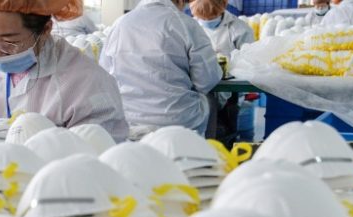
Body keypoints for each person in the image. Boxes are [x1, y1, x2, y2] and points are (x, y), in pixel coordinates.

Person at [0, 0, 129, 141]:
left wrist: (46, 143)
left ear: (46, 29)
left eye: (10, 42)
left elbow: (99, 152)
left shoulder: (87, 83)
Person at [100, 0, 221, 138]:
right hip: (178, 121)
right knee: (210, 100)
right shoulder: (185, 24)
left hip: (129, 120)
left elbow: (105, 76)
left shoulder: (119, 24)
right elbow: (207, 81)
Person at [191, 0, 252, 143]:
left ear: (223, 7)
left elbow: (249, 62)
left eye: (211, 17)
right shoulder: (190, 26)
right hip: (199, 87)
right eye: (202, 17)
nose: (206, 20)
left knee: (225, 130)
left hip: (228, 91)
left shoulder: (239, 29)